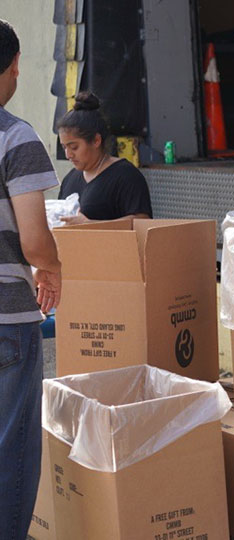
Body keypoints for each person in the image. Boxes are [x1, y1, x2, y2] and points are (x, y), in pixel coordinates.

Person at [0, 19, 62, 539]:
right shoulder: (15, 136)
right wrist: (53, 267)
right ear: (14, 67)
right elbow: (35, 240)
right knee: (11, 451)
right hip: (7, 321)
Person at [57, 91, 152, 223]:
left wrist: (91, 225)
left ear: (96, 140)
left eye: (74, 147)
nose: (68, 155)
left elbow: (143, 221)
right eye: (64, 147)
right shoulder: (69, 179)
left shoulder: (126, 175)